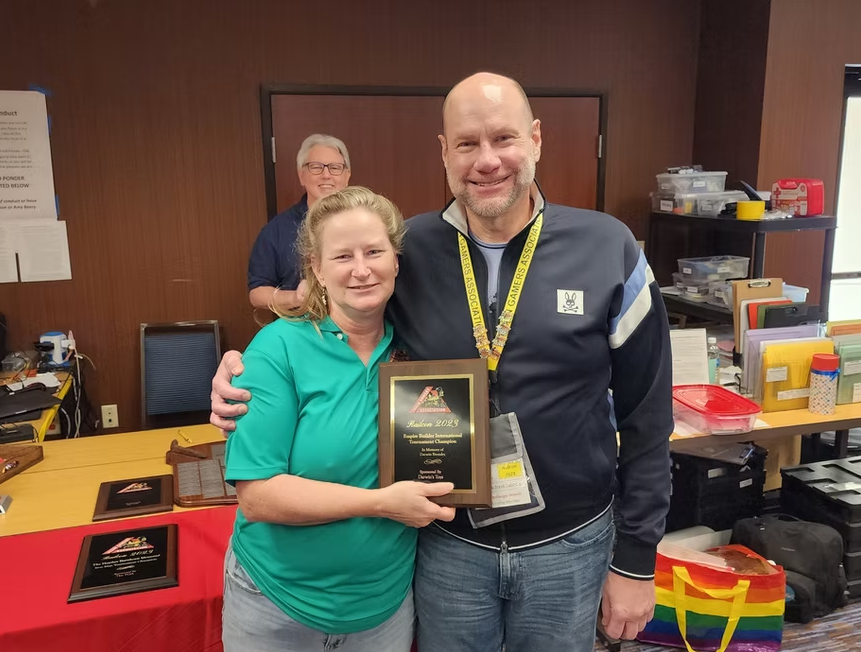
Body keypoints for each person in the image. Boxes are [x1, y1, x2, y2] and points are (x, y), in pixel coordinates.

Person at [214, 72, 673, 652]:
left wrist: (636, 559)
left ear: (535, 138)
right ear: (444, 151)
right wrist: (242, 370)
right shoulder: (412, 250)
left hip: (569, 545)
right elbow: (339, 320)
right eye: (466, 143)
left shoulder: (608, 247)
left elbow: (647, 416)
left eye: (503, 138)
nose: (487, 161)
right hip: (447, 545)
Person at [221, 185, 456, 652]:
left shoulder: (422, 353)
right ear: (317, 269)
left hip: (383, 608)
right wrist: (381, 503)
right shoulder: (278, 349)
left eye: (374, 252)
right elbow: (258, 497)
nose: (362, 269)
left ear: (396, 261)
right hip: (277, 604)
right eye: (343, 256)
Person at [247, 134, 352, 313]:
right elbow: (257, 293)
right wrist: (295, 298)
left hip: (363, 325)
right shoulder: (276, 230)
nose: (326, 175)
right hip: (302, 324)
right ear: (301, 175)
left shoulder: (368, 223)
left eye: (335, 168)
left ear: (347, 175)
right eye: (316, 167)